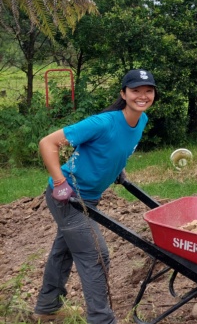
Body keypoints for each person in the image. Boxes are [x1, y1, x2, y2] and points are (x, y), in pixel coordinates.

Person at [33, 69, 157, 324]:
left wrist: (118, 170)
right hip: (68, 197)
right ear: (124, 94)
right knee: (97, 255)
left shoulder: (140, 121)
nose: (142, 96)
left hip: (88, 198)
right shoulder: (102, 123)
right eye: (135, 91)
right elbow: (48, 143)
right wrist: (59, 182)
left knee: (64, 251)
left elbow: (115, 149)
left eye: (148, 91)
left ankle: (47, 307)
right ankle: (101, 320)